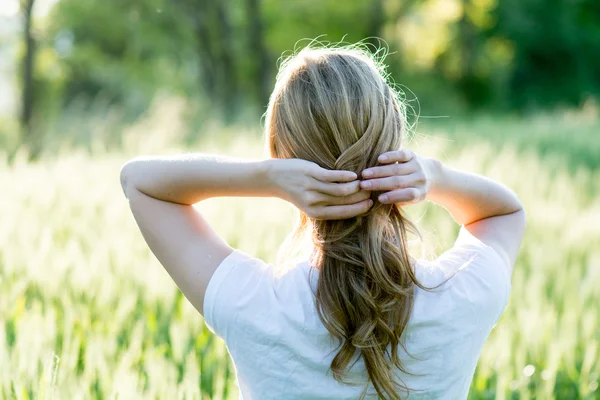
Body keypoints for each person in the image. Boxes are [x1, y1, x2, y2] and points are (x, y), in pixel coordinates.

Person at [119, 44, 526, 399]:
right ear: (396, 143)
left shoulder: (253, 304)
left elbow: (140, 182)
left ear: (286, 160)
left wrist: (266, 176)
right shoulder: (463, 294)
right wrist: (435, 176)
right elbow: (505, 213)